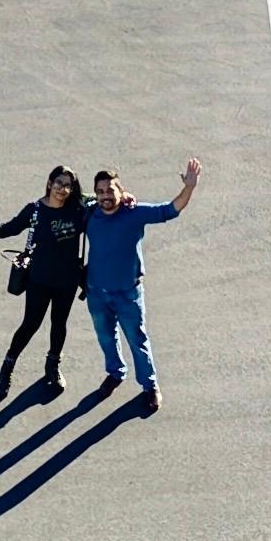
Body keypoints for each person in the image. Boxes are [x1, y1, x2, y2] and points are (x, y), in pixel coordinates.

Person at [0, 165, 90, 401]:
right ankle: (9, 363)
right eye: (59, 183)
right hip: (39, 279)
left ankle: (52, 365)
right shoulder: (36, 210)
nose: (63, 189)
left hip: (67, 280)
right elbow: (10, 227)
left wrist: (125, 198)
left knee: (59, 324)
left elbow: (105, 197)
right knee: (30, 324)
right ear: (50, 183)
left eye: (68, 185)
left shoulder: (78, 207)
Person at [83, 159, 198, 412]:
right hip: (97, 293)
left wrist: (189, 187)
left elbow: (170, 209)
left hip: (128, 294)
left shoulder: (134, 213)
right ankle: (115, 372)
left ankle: (150, 385)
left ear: (120, 192)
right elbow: (69, 198)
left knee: (137, 339)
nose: (105, 196)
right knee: (105, 337)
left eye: (110, 191)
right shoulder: (89, 212)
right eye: (100, 191)